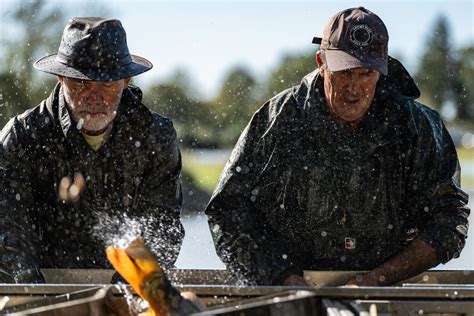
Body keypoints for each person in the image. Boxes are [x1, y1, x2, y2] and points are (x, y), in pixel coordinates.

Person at [205, 7, 470, 286]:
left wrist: (376, 280)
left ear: (383, 70)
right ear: (322, 61)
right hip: (289, 286)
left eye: (366, 73)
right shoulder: (279, 119)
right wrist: (282, 278)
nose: (354, 88)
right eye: (344, 72)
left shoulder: (418, 127)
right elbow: (227, 211)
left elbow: (450, 220)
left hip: (392, 283)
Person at [0, 17, 184, 283]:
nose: (94, 97)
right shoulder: (22, 136)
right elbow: (8, 230)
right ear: (61, 78)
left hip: (128, 285)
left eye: (107, 84)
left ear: (125, 80)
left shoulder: (155, 136)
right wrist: (37, 297)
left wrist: (126, 294)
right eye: (82, 84)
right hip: (43, 281)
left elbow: (161, 227)